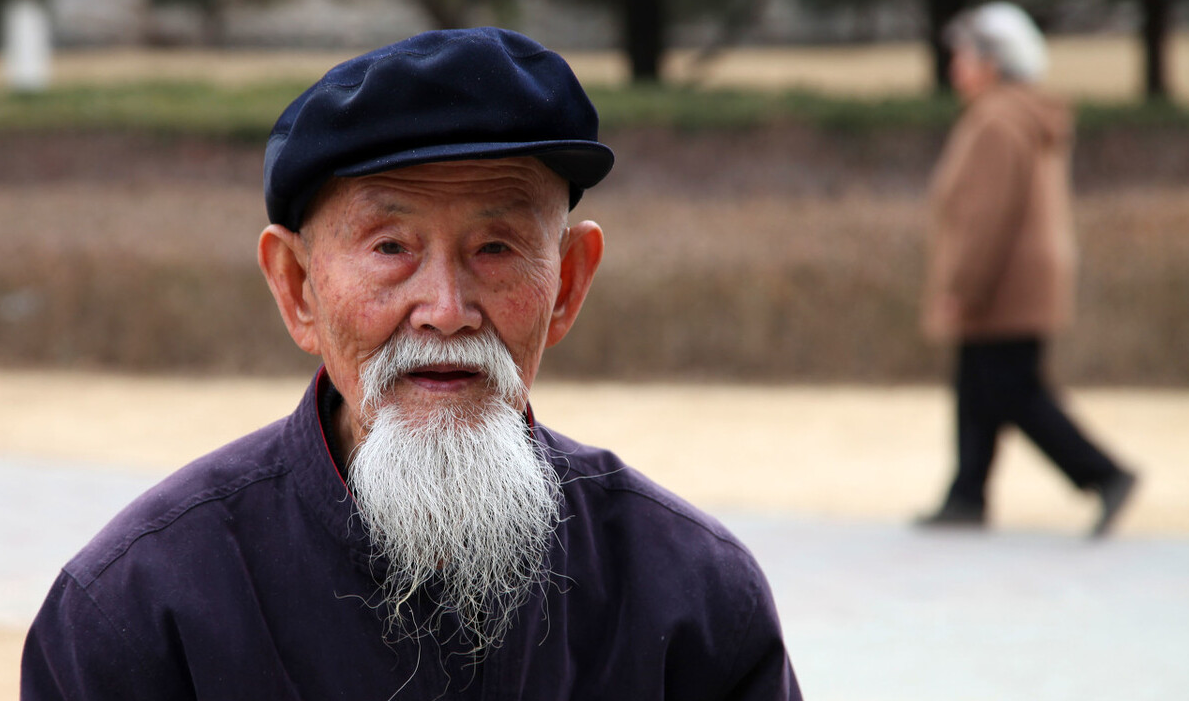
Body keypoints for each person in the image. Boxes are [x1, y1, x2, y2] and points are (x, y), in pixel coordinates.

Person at [20, 28, 799, 700]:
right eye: (390, 247)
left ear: (567, 283)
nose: (446, 307)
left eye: (496, 247)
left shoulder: (690, 600)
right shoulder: (140, 609)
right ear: (297, 288)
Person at [917, 3, 1137, 537]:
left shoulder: (997, 119)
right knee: (979, 385)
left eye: (965, 56)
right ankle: (966, 494)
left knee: (1013, 390)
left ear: (994, 61)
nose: (956, 68)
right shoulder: (1020, 111)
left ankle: (1104, 475)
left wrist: (963, 288)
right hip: (1023, 279)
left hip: (1005, 283)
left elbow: (985, 216)